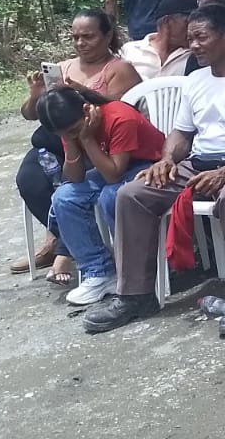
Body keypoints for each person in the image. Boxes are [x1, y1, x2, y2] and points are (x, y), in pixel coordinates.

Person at [84, 2, 225, 337]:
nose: (194, 45)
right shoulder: (196, 80)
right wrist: (167, 160)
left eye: (201, 37)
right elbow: (180, 134)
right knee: (132, 194)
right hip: (198, 165)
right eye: (190, 38)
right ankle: (135, 295)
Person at [13, 10, 144, 282]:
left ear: (107, 35)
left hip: (94, 140)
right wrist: (36, 97)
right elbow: (29, 114)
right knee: (30, 181)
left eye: (88, 36)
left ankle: (63, 252)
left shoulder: (119, 69)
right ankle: (62, 241)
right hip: (55, 142)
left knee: (72, 187)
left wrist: (82, 93)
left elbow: (121, 108)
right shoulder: (63, 67)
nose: (80, 43)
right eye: (75, 37)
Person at [40, 86, 164, 305]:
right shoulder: (71, 127)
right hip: (112, 167)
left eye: (73, 131)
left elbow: (113, 175)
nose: (70, 136)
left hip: (149, 165)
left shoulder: (119, 118)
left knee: (112, 196)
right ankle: (99, 271)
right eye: (63, 135)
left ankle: (135, 271)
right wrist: (72, 142)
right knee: (64, 197)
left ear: (86, 110)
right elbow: (74, 177)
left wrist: (87, 139)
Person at [119, 0, 196, 80]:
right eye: (188, 22)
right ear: (167, 21)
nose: (192, 30)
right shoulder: (130, 50)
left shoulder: (194, 55)